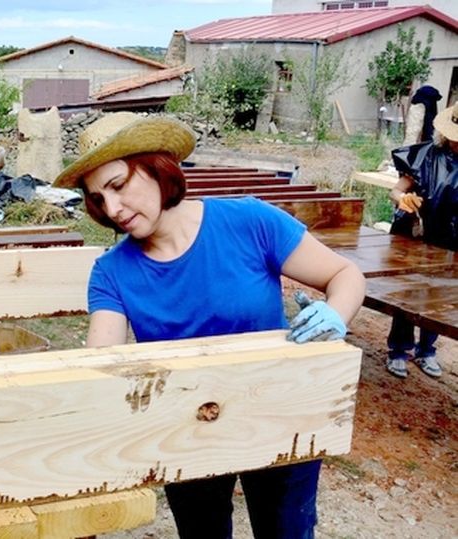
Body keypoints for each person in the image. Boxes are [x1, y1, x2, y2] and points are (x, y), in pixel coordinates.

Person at [53, 113, 366, 538]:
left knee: (285, 529)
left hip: (278, 411)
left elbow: (345, 276)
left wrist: (335, 314)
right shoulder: (111, 273)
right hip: (186, 428)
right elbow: (103, 361)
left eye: (118, 186)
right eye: (98, 199)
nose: (112, 209)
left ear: (157, 168)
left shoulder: (250, 222)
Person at [385, 101, 458, 379]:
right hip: (417, 235)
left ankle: (426, 349)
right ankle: (398, 350)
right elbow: (396, 190)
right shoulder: (426, 155)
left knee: (439, 298)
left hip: (452, 240)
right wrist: (403, 198)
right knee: (407, 294)